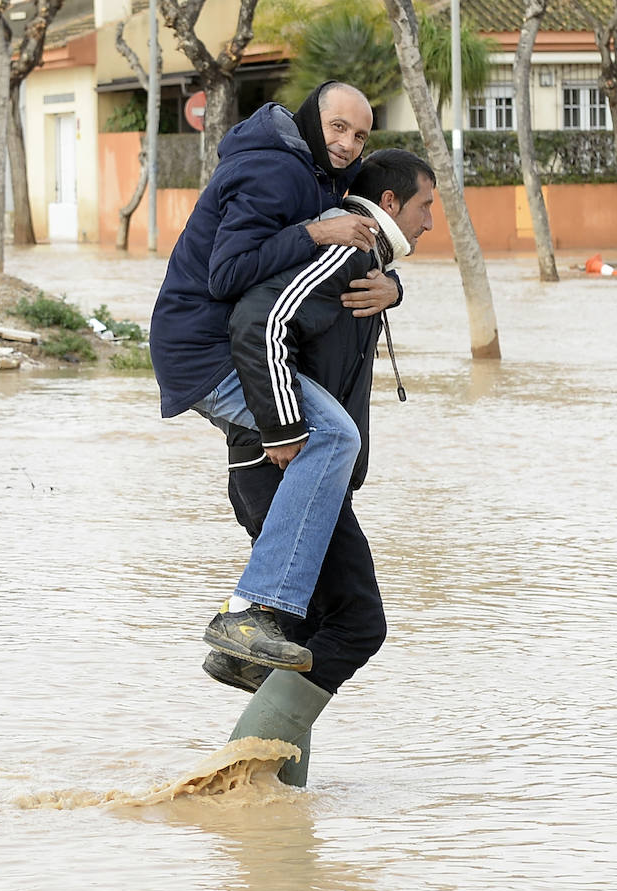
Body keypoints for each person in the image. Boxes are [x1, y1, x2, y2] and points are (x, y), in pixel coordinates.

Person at [149, 81, 400, 671]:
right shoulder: (275, 171)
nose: (347, 144)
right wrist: (317, 231)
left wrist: (393, 289)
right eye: (338, 128)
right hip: (207, 349)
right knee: (334, 436)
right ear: (314, 118)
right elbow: (227, 275)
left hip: (233, 348)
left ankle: (253, 639)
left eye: (360, 135)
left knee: (332, 438)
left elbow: (329, 276)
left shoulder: (319, 174)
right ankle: (253, 612)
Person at [212, 148, 438, 786]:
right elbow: (258, 323)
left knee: (315, 630)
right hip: (284, 463)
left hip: (292, 469)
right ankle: (242, 778)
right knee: (358, 620)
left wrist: (396, 288)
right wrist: (286, 427)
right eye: (425, 207)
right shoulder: (345, 251)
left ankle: (274, 801)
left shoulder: (367, 262)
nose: (429, 223)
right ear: (389, 204)